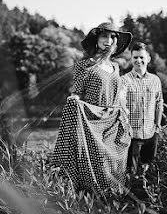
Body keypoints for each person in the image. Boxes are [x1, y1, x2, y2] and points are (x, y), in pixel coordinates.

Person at [50, 22, 133, 194]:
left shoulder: (115, 67)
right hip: (92, 122)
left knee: (112, 165)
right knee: (96, 163)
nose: (108, 40)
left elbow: (118, 94)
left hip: (113, 122)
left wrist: (125, 114)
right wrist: (74, 100)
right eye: (104, 36)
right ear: (96, 40)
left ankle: (112, 200)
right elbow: (78, 93)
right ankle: (91, 198)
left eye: (112, 37)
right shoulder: (84, 65)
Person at [122, 42, 164, 177]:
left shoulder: (155, 80)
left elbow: (159, 103)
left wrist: (157, 126)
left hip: (151, 133)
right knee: (131, 173)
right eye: (135, 57)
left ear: (148, 58)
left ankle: (145, 195)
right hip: (132, 135)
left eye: (141, 57)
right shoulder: (124, 80)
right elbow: (120, 107)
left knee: (148, 170)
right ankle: (127, 197)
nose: (138, 61)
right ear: (131, 59)